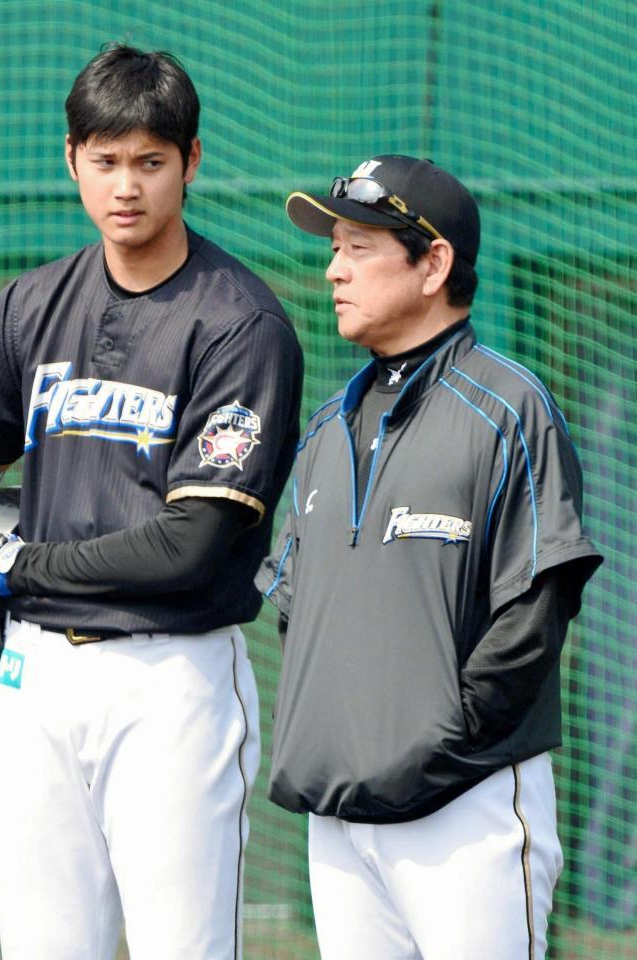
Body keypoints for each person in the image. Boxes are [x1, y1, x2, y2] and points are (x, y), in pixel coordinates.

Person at [0, 44, 303, 960]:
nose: (125, 186)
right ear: (71, 160)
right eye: (104, 160)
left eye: (149, 161)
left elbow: (191, 546)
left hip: (170, 681)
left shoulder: (240, 324)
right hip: (34, 683)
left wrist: (21, 564)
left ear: (192, 161)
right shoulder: (28, 308)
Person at [256, 155, 602, 960]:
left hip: (465, 811)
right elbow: (296, 610)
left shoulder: (509, 407)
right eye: (333, 248)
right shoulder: (323, 430)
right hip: (339, 822)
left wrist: (437, 743)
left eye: (358, 248)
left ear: (434, 261)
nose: (334, 270)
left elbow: (536, 612)